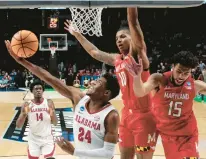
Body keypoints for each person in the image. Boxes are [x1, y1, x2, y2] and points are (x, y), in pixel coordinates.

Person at [64, 8, 157, 159]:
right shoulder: (117, 59)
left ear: (132, 38)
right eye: (116, 39)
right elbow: (94, 52)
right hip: (127, 114)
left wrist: (130, 5)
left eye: (123, 37)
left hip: (144, 116)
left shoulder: (138, 55)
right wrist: (77, 34)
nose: (119, 40)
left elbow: (133, 23)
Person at [5, 40, 120, 159]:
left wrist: (74, 152)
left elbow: (108, 154)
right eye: (95, 79)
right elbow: (47, 77)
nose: (92, 82)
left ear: (106, 93)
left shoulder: (111, 115)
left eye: (98, 82)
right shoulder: (79, 98)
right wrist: (21, 61)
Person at [129, 51, 203, 159]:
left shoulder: (194, 85)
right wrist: (136, 77)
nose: (181, 76)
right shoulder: (159, 80)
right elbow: (140, 92)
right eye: (179, 71)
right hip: (167, 134)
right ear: (172, 67)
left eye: (186, 73)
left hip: (187, 134)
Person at [16, 81, 58, 159]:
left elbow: (55, 122)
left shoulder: (49, 103)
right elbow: (18, 125)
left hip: (47, 138)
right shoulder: (27, 105)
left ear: (43, 91)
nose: (38, 90)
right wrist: (24, 114)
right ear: (32, 91)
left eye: (40, 88)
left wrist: (52, 112)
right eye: (36, 89)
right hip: (33, 139)